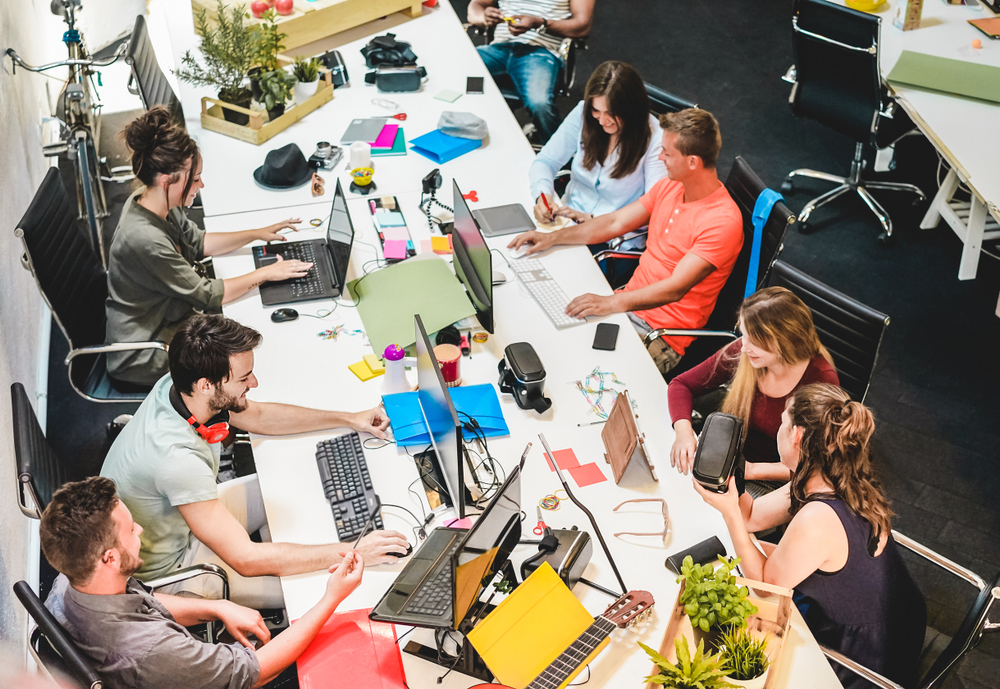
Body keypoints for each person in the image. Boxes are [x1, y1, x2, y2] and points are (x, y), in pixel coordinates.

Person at [100, 314, 408, 610]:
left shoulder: (181, 383)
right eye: (245, 378)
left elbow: (256, 415)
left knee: (290, 493)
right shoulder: (177, 460)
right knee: (321, 587)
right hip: (174, 571)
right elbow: (246, 559)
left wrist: (349, 418)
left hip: (182, 520)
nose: (255, 382)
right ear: (207, 384)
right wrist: (354, 552)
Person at [695, 384, 926, 689]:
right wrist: (731, 476)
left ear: (797, 435)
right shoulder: (834, 475)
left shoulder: (817, 519)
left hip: (865, 657)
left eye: (782, 422)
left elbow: (765, 587)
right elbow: (752, 516)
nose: (778, 428)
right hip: (900, 619)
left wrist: (728, 513)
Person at [41, 476, 365, 689]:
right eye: (129, 530)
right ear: (110, 558)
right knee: (342, 652)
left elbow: (147, 601)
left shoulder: (70, 582)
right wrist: (331, 598)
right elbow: (257, 671)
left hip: (170, 665)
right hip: (207, 674)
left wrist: (217, 607)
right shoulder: (151, 651)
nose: (139, 529)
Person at [509, 108, 743, 375]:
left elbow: (674, 289)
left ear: (692, 162)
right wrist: (551, 238)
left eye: (667, 153)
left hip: (660, 336)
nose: (659, 157)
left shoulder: (722, 221)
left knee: (576, 371)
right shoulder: (672, 186)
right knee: (549, 339)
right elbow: (615, 223)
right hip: (626, 307)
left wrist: (609, 303)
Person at [106, 106, 314, 389]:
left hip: (172, 321)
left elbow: (200, 242)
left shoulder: (158, 202)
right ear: (168, 180)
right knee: (245, 367)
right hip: (146, 350)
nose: (201, 184)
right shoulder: (145, 239)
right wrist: (268, 273)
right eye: (194, 179)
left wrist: (256, 233)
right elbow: (207, 295)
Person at [668, 287, 840, 484]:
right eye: (744, 335)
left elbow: (816, 465)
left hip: (772, 482)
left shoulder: (821, 380)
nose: (743, 346)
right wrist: (683, 433)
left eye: (754, 340)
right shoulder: (747, 352)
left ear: (784, 341)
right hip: (730, 462)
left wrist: (748, 470)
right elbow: (681, 384)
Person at [528, 60, 666, 225]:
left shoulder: (656, 139)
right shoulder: (583, 112)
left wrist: (593, 220)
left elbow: (653, 207)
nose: (602, 121)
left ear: (632, 109)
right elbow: (546, 160)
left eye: (612, 113)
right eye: (596, 111)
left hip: (614, 235)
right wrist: (543, 197)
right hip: (568, 219)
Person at [468, 0, 595, 143]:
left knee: (540, 103)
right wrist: (483, 17)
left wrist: (540, 23)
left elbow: (582, 25)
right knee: (454, 68)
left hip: (541, 52)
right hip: (500, 47)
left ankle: (562, 158)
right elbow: (475, 6)